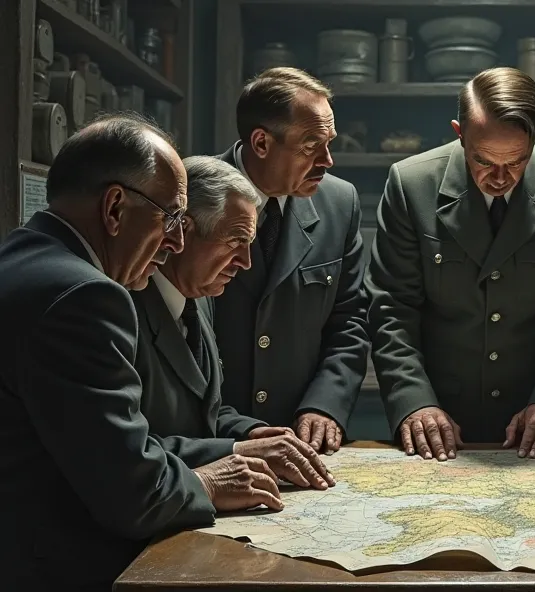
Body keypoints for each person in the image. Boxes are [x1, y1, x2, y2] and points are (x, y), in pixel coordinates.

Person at [0, 114, 285, 591]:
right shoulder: (86, 295)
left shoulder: (23, 254)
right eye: (170, 217)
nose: (175, 241)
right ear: (114, 208)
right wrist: (211, 482)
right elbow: (132, 490)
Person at [367, 67, 535, 460]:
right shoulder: (410, 185)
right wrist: (414, 401)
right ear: (460, 133)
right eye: (483, 161)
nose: (499, 178)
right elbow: (392, 307)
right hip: (437, 420)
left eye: (516, 162)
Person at [132, 155, 335, 491]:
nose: (245, 262)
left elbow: (206, 412)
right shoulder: (124, 307)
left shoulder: (200, 297)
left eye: (250, 244)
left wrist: (253, 432)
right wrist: (237, 449)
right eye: (235, 243)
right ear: (184, 232)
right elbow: (130, 450)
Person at [213, 67, 370, 453]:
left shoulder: (340, 203)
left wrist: (325, 406)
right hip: (213, 437)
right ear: (262, 142)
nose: (328, 160)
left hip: (306, 438)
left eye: (329, 142)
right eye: (311, 145)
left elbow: (349, 320)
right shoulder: (191, 194)